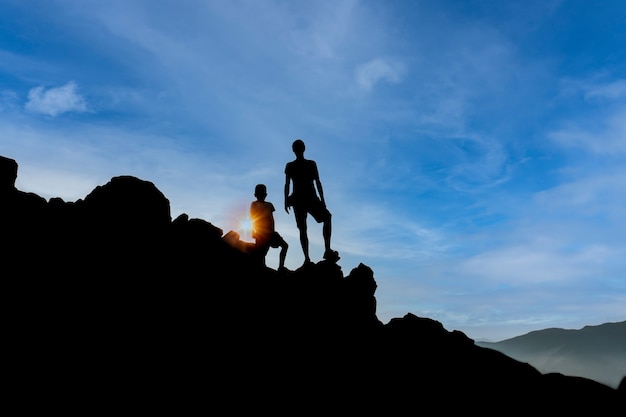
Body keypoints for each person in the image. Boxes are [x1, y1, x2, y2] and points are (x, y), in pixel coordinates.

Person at [284, 138, 338, 265]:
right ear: (303, 149)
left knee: (307, 227)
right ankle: (313, 255)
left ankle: (318, 253)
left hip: (304, 198)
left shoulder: (305, 164)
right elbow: (288, 184)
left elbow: (287, 185)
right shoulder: (298, 165)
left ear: (294, 150)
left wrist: (286, 200)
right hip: (303, 199)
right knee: (304, 228)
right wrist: (286, 200)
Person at [250, 183, 288, 271]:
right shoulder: (254, 204)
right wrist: (253, 231)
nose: (262, 195)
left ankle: (281, 267)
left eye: (263, 193)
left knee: (285, 246)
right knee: (261, 254)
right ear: (255, 195)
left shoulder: (269, 205)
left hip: (270, 232)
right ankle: (262, 268)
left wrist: (273, 231)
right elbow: (252, 218)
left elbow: (271, 218)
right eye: (260, 193)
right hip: (260, 233)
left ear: (265, 194)